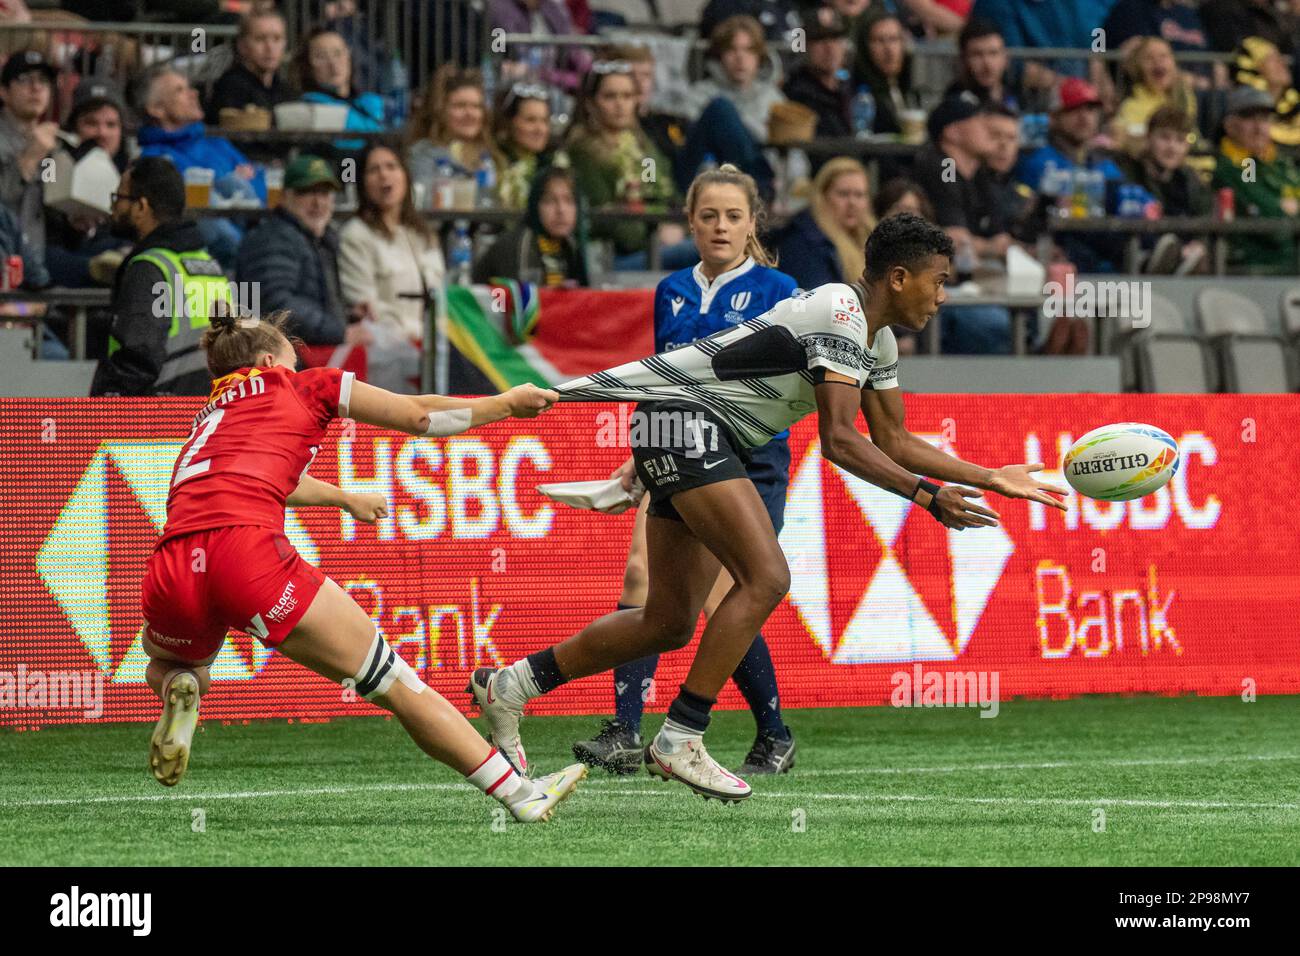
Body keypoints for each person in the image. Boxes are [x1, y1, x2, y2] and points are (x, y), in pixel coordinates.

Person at [469, 213, 1068, 800]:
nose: (943, 295)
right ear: (898, 278)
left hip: (688, 428)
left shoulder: (876, 337)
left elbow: (895, 439)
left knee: (669, 622)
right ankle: (681, 737)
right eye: (938, 280)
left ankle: (510, 686)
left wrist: (989, 476)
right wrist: (928, 497)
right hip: (688, 421)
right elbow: (839, 439)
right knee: (767, 577)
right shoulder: (840, 310)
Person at [140, 308, 585, 823]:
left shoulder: (209, 417)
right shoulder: (306, 386)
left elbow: (272, 478)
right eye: (291, 357)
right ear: (269, 360)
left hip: (174, 563)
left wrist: (343, 497)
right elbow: (420, 415)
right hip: (249, 555)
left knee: (168, 662)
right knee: (396, 684)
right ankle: (521, 794)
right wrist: (505, 404)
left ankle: (177, 688)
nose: (298, 365)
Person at [570, 164, 798, 777]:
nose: (720, 226)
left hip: (750, 457)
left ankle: (773, 731)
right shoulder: (670, 288)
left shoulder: (783, 290)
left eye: (733, 216)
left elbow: (783, 384)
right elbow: (663, 380)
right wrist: (641, 454)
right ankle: (623, 730)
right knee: (642, 578)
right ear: (690, 222)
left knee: (727, 591)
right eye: (708, 216)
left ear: (753, 224)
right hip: (677, 447)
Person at [91, 157, 234, 397]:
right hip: (207, 414)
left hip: (160, 421)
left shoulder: (150, 268)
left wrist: (106, 408)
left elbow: (137, 358)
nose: (114, 208)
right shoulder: (210, 267)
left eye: (119, 198)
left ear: (141, 207)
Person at [338, 144, 445, 393]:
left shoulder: (422, 232)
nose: (384, 175)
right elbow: (365, 305)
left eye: (391, 167)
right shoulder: (356, 234)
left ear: (405, 175)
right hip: (387, 356)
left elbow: (441, 295)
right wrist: (418, 333)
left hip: (433, 349)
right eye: (374, 170)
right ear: (363, 183)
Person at [565, 61, 691, 271]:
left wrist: (678, 227)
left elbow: (666, 197)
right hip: (614, 258)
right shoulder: (582, 152)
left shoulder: (644, 149)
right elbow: (603, 217)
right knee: (705, 251)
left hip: (658, 246)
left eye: (627, 96)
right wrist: (655, 232)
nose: (620, 104)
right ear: (590, 103)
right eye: (610, 96)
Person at [914, 93, 1012, 353]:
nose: (989, 128)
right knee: (998, 324)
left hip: (976, 280)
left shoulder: (979, 174)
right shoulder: (940, 167)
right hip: (940, 288)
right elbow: (956, 242)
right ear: (954, 133)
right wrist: (990, 246)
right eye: (979, 121)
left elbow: (1000, 239)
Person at [137, 67, 265, 264]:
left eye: (190, 88)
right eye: (180, 90)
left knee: (233, 183)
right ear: (156, 109)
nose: (194, 93)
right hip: (200, 257)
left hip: (248, 243)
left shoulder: (217, 143)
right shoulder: (153, 159)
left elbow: (259, 189)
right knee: (207, 198)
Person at [237, 155, 359, 348]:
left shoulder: (317, 238)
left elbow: (312, 297)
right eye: (307, 192)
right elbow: (276, 304)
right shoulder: (272, 238)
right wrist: (339, 332)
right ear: (284, 196)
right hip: (275, 361)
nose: (318, 203)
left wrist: (349, 313)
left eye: (325, 193)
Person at [1017, 78, 1130, 273]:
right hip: (1059, 254)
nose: (1084, 118)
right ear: (1054, 117)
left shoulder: (1107, 164)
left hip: (1105, 252)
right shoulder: (1037, 161)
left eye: (1090, 110)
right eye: (1074, 110)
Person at [44, 79, 130, 292]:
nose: (102, 133)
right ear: (73, 129)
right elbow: (45, 243)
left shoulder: (133, 173)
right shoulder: (53, 166)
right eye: (91, 123)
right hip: (65, 269)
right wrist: (74, 229)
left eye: (111, 125)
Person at [684, 15, 786, 192]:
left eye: (748, 50)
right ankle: (759, 185)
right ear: (720, 56)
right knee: (720, 109)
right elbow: (692, 149)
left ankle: (761, 187)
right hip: (704, 182)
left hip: (766, 180)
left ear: (759, 57)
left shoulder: (772, 97)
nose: (740, 58)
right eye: (732, 50)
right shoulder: (699, 95)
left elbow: (792, 152)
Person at [1212, 85, 1300, 275]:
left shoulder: (1280, 163)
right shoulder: (1245, 164)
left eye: (1265, 119)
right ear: (1230, 125)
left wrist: (1291, 208)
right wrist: (1285, 208)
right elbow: (1263, 208)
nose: (1259, 127)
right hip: (1261, 267)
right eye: (1250, 118)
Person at [1118, 106, 1211, 275]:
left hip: (1183, 256)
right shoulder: (1129, 172)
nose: (1172, 147)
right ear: (1148, 137)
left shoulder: (1190, 181)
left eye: (1180, 140)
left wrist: (1198, 244)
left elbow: (1204, 221)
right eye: (1164, 138)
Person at [472, 164, 589, 286]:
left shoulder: (571, 246)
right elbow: (519, 301)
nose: (561, 210)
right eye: (549, 201)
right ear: (535, 206)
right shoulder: (515, 246)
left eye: (569, 200)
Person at [775, 156, 875, 290]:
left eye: (859, 195)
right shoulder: (803, 244)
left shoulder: (873, 239)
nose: (852, 203)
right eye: (843, 194)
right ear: (822, 197)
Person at [0, 50, 58, 279]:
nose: (36, 88)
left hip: (36, 257)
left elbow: (50, 193)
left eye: (43, 80)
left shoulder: (52, 143)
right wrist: (29, 158)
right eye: (25, 79)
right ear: (3, 92)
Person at [205, 3, 292, 126]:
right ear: (242, 45)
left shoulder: (284, 89)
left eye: (277, 39)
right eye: (260, 39)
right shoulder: (231, 88)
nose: (270, 48)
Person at [406, 65, 498, 179]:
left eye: (476, 106)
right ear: (440, 111)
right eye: (460, 106)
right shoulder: (422, 155)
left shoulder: (488, 156)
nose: (470, 113)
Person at [1111, 36, 1197, 156]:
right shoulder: (1131, 106)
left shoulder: (1185, 96)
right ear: (1138, 68)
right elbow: (1120, 139)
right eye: (1149, 58)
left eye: (1164, 56)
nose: (1157, 61)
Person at [293, 27, 386, 132]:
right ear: (307, 66)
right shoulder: (310, 107)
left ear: (349, 56)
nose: (333, 64)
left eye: (338, 53)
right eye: (321, 57)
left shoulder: (371, 101)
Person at [783, 6, 854, 139]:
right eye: (819, 39)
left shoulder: (851, 88)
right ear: (805, 47)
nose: (829, 47)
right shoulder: (796, 95)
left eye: (835, 38)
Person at [850, 10, 922, 136]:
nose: (889, 50)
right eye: (879, 40)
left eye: (894, 39)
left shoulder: (910, 88)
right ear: (865, 47)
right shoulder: (855, 94)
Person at [492, 82, 560, 210]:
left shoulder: (556, 162)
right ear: (509, 123)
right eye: (531, 120)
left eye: (544, 121)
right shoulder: (493, 164)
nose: (540, 129)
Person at [1233, 35, 1300, 151]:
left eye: (1279, 56)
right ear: (1256, 66)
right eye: (1271, 59)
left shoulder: (1293, 104)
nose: (1281, 62)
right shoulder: (1247, 108)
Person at [944, 17, 1017, 111]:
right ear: (963, 60)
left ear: (1005, 58)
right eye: (977, 54)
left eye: (993, 53)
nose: (987, 63)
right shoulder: (953, 102)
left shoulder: (1016, 95)